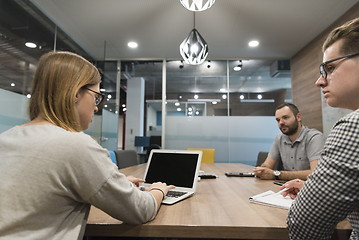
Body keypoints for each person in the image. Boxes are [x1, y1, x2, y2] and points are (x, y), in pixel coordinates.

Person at [0, 51, 174, 240]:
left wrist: (111, 185)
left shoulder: (7, 137)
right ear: (75, 94)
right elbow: (140, 209)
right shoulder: (75, 144)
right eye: (96, 97)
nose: (97, 107)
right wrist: (159, 190)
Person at [279, 17, 359, 239]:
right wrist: (314, 192)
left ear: (299, 117)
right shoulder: (279, 139)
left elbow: (304, 225)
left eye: (330, 68)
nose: (319, 81)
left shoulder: (353, 126)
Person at [253, 103, 325, 180]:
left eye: (285, 117)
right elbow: (268, 164)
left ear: (298, 117)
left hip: (308, 188)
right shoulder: (279, 138)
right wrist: (263, 170)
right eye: (278, 120)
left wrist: (277, 174)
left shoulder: (314, 137)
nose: (281, 122)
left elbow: (315, 173)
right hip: (287, 187)